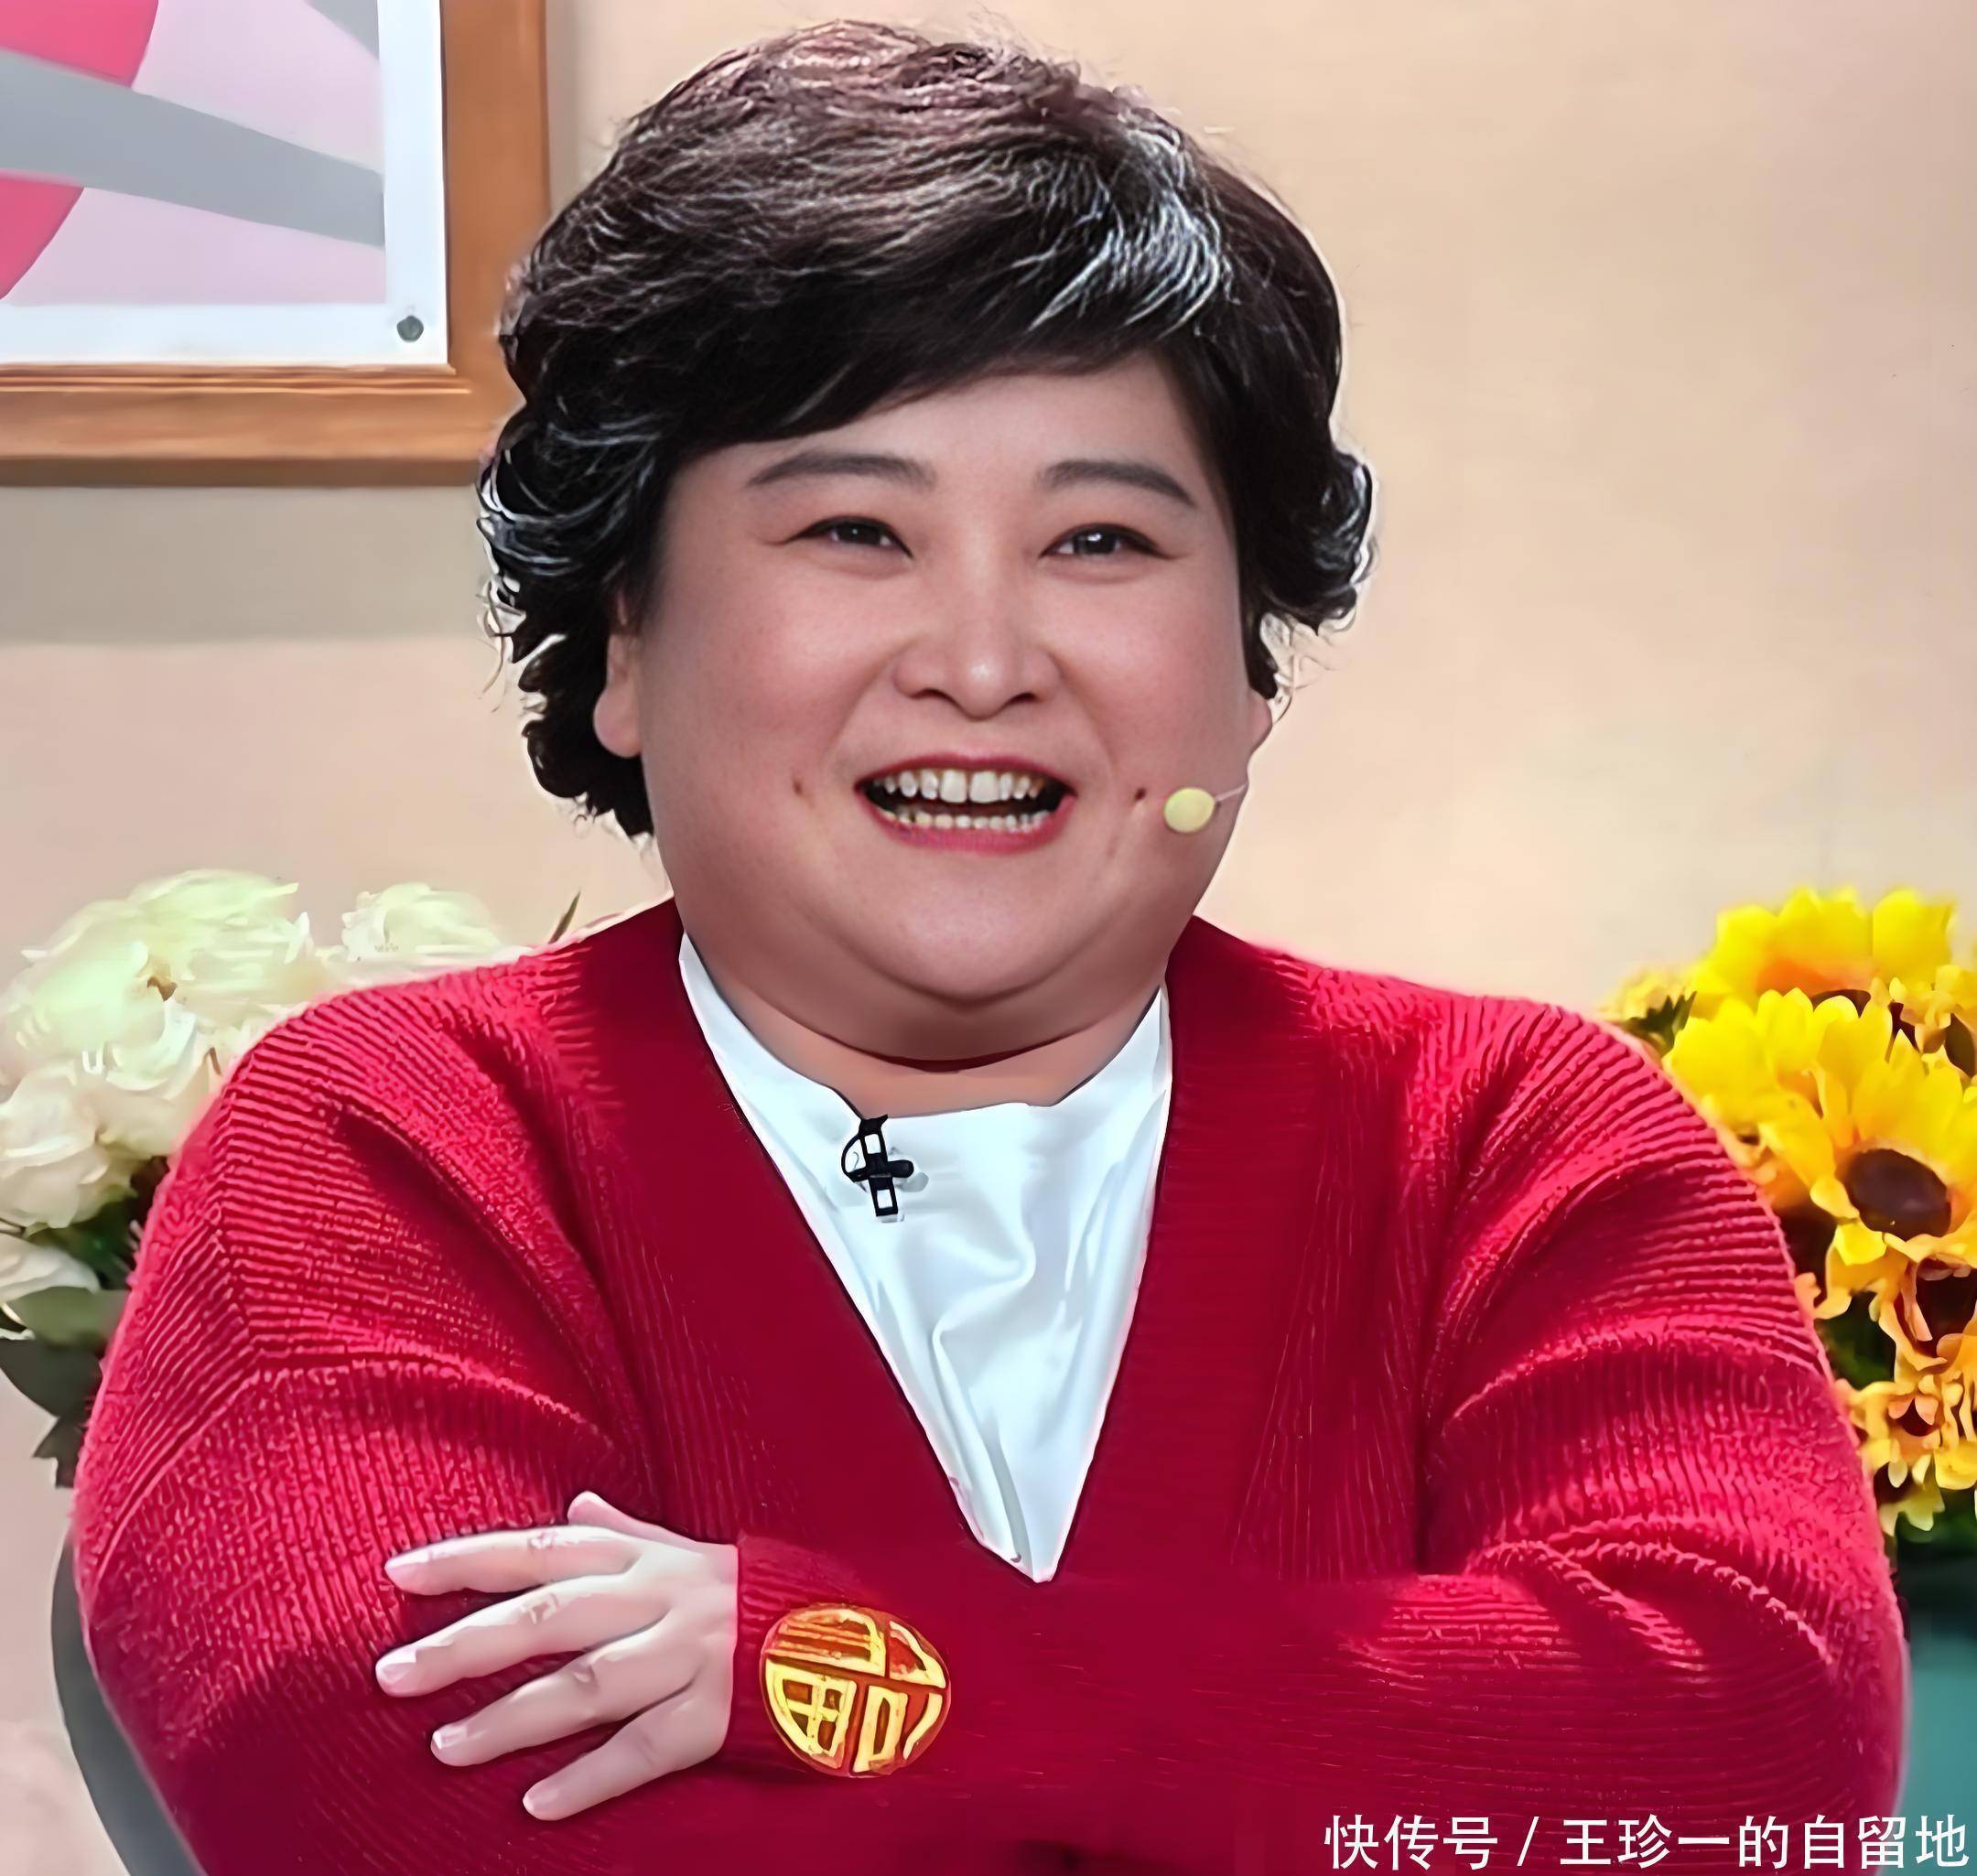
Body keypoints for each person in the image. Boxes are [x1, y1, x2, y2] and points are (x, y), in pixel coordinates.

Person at [70, 19, 1905, 1876]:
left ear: (1247, 672)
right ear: (624, 637)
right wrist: (1298, 1755)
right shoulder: (383, 1152)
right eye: (856, 528)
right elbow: (435, 1810)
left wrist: (848, 1671)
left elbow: (1761, 1748)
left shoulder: (1517, 1138)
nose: (982, 660)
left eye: (1100, 541)